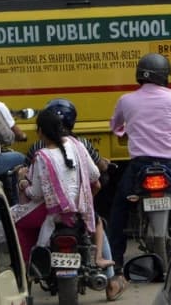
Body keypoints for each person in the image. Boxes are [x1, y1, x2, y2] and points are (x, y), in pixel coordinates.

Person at [107, 53, 171, 260]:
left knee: (119, 209)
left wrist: (125, 131)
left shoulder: (126, 100)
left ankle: (115, 262)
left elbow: (115, 127)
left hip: (140, 166)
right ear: (165, 76)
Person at [11, 108, 103, 284]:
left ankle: (28, 268)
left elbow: (36, 194)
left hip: (52, 212)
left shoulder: (42, 156)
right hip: (81, 210)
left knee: (15, 221)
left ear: (40, 132)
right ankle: (102, 263)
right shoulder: (78, 145)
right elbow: (95, 175)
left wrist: (23, 184)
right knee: (100, 223)